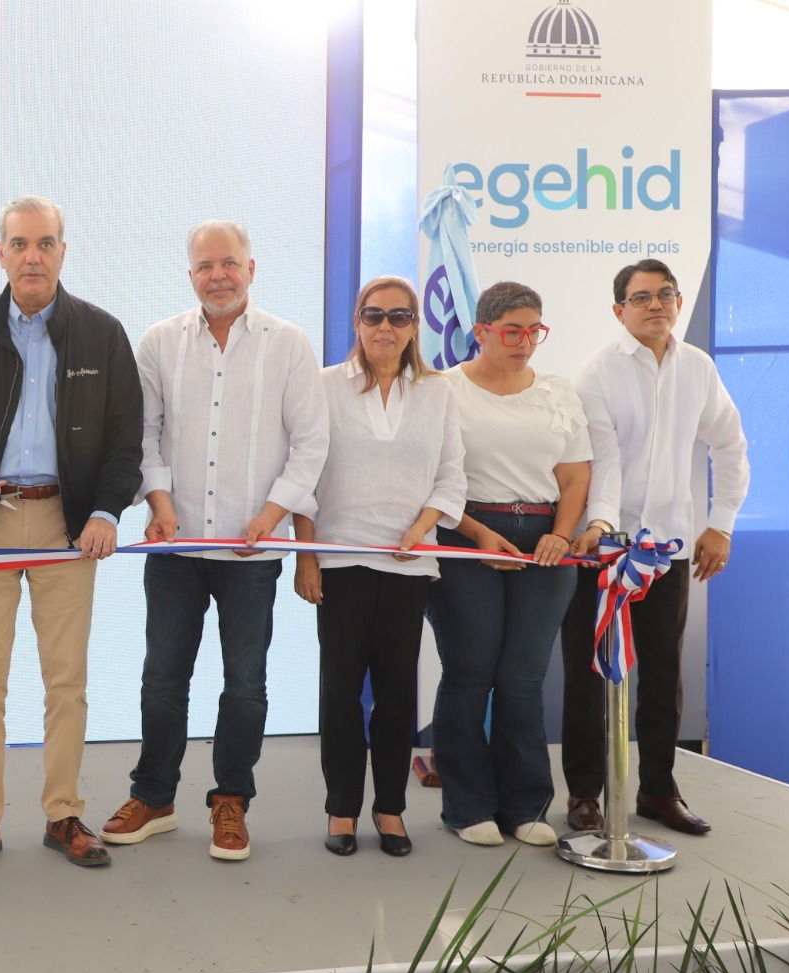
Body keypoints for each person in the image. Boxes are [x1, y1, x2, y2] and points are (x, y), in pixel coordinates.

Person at [0, 196, 143, 873]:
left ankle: (62, 814)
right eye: (19, 244)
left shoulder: (102, 334)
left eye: (45, 243)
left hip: (67, 524)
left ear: (63, 252)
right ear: (1, 253)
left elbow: (126, 438)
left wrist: (105, 513)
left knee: (65, 681)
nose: (32, 256)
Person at [99, 220, 326, 862]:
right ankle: (156, 796)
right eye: (205, 266)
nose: (218, 275)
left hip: (251, 553)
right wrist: (161, 503)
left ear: (251, 269)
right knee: (162, 680)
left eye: (230, 263)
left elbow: (312, 442)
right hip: (175, 548)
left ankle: (231, 801)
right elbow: (141, 433)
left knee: (245, 684)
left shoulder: (288, 344)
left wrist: (272, 513)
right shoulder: (159, 342)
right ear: (190, 274)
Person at [559, 259, 749, 835]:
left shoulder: (698, 367)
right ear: (619, 310)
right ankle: (585, 796)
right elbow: (604, 461)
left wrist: (720, 522)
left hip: (668, 547)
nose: (656, 305)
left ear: (679, 301)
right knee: (588, 673)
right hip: (603, 548)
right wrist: (606, 530)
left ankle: (659, 792)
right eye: (641, 298)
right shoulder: (597, 372)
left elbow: (731, 445)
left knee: (664, 676)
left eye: (665, 294)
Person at [295, 276, 465, 858]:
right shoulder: (321, 387)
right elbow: (305, 477)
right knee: (340, 692)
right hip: (340, 562)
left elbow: (452, 477)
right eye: (373, 316)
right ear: (357, 323)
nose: (385, 327)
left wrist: (420, 531)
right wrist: (308, 557)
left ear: (416, 325)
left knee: (396, 694)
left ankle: (390, 809)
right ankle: (342, 808)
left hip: (409, 565)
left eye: (398, 316)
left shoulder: (439, 393)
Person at [426, 281, 591, 847]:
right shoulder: (443, 389)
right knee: (470, 672)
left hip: (546, 540)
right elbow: (432, 477)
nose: (525, 342)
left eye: (534, 331)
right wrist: (476, 535)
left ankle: (527, 809)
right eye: (512, 331)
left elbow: (574, 477)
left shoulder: (558, 392)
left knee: (523, 679)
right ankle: (466, 806)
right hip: (468, 532)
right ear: (480, 332)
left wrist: (563, 537)